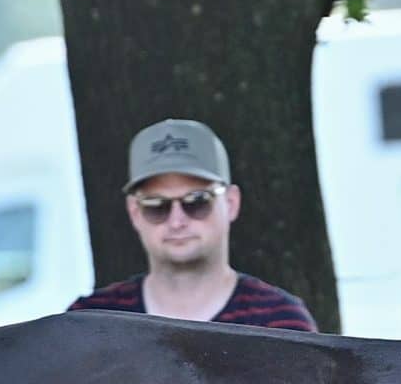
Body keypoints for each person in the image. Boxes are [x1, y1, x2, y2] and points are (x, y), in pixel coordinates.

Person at [68, 119, 315, 330]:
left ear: (231, 203)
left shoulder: (281, 323)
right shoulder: (88, 323)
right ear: (134, 212)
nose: (177, 221)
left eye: (197, 201)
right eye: (156, 205)